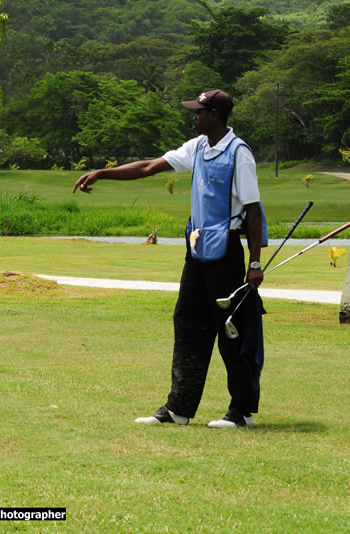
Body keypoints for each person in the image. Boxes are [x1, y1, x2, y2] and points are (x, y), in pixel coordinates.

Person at [73, 89, 267, 429]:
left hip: (228, 254)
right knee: (189, 324)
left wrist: (254, 263)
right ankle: (179, 409)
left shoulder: (239, 154)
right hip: (197, 251)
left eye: (200, 112)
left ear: (216, 115)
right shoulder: (198, 148)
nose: (194, 117)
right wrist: (102, 173)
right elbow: (149, 166)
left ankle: (241, 412)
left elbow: (253, 211)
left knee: (233, 332)